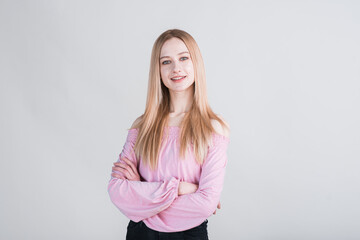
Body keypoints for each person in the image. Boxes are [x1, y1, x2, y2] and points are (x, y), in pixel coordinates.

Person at [107, 29, 230, 240]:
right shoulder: (143, 125)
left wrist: (143, 193)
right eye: (166, 62)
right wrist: (182, 188)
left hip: (188, 235)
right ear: (158, 70)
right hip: (140, 234)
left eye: (183, 58)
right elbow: (117, 190)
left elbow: (206, 204)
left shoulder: (214, 128)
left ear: (195, 63)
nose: (176, 68)